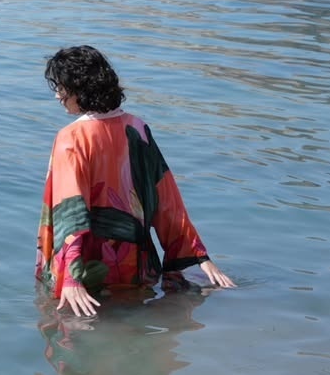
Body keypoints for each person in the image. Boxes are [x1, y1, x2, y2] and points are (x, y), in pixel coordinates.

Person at [36, 46, 234, 316]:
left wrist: (72, 277)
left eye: (61, 87)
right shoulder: (137, 128)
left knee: (75, 335)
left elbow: (71, 209)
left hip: (85, 274)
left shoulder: (71, 138)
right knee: (133, 324)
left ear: (80, 87)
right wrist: (196, 255)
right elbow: (165, 197)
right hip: (133, 268)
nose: (58, 95)